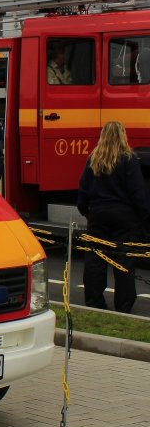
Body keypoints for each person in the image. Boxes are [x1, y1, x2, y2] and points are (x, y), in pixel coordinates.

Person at [77, 121, 148, 313]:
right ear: (123, 135)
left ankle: (94, 303)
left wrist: (87, 212)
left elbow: (83, 190)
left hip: (98, 215)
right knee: (123, 262)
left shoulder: (94, 158)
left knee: (95, 261)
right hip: (124, 217)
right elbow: (137, 192)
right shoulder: (128, 159)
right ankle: (123, 306)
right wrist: (143, 217)